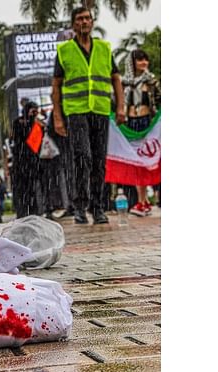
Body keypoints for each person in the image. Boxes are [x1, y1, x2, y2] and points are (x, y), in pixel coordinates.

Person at [51, 6, 125, 224]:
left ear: (92, 23)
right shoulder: (64, 51)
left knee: (99, 161)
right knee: (83, 157)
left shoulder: (103, 48)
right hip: (76, 112)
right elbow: (56, 86)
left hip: (101, 110)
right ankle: (80, 206)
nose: (84, 22)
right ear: (74, 24)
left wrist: (120, 107)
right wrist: (57, 116)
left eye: (87, 18)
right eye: (80, 19)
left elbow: (116, 79)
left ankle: (98, 207)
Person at [121, 49, 161, 217]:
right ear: (132, 63)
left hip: (148, 122)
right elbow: (119, 102)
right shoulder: (125, 83)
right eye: (140, 60)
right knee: (136, 161)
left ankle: (155, 197)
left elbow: (160, 101)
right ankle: (141, 201)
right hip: (131, 124)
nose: (143, 63)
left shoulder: (152, 81)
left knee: (150, 159)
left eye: (145, 60)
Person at [9, 101, 44, 218]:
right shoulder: (18, 122)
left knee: (32, 189)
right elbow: (17, 138)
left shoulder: (38, 124)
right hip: (20, 162)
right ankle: (22, 211)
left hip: (33, 162)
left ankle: (34, 211)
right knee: (21, 189)